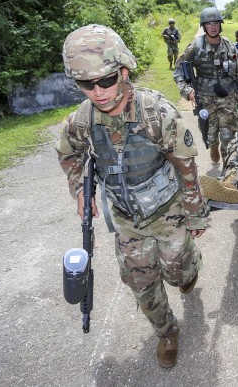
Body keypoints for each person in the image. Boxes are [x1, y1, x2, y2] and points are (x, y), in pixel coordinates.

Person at [56, 24, 210, 369]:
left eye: (106, 81)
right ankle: (167, 331)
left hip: (168, 210)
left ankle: (189, 270)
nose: (98, 92)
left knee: (177, 272)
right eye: (86, 85)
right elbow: (69, 154)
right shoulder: (81, 121)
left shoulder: (156, 112)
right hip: (127, 218)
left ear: (124, 72)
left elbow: (185, 165)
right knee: (140, 281)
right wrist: (80, 190)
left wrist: (196, 211)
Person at [174, 7, 238, 164]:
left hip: (228, 96)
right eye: (209, 24)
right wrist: (187, 91)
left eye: (216, 23)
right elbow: (179, 69)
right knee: (210, 134)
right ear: (204, 26)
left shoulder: (229, 46)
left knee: (228, 135)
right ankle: (214, 147)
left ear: (220, 25)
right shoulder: (196, 46)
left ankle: (228, 164)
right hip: (205, 98)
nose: (213, 27)